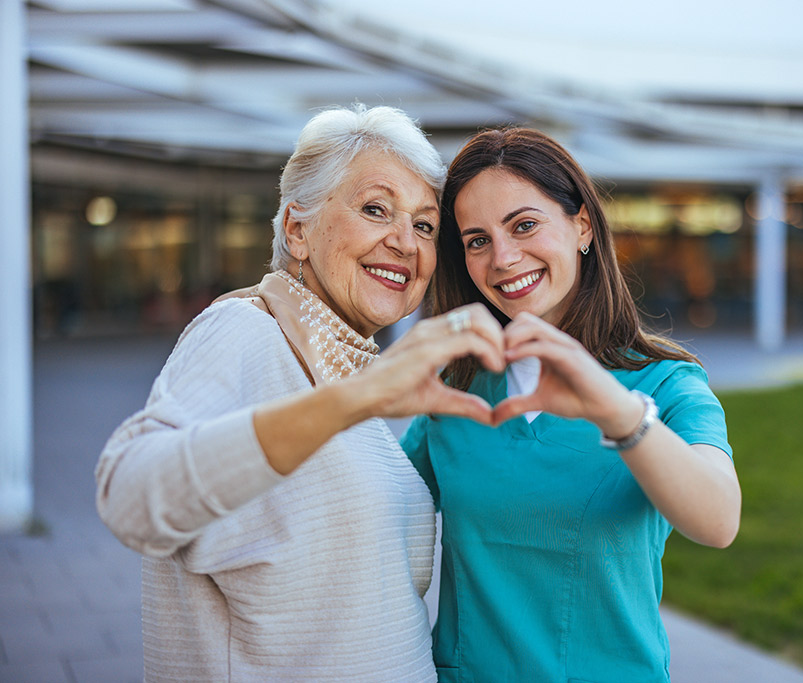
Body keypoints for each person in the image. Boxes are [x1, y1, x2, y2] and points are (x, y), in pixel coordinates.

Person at [95, 105, 506, 681]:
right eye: (375, 209)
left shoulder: (346, 371)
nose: (405, 243)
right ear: (297, 230)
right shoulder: (246, 329)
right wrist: (352, 402)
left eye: (424, 225)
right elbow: (129, 495)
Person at [401, 128, 742, 682]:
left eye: (525, 224)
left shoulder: (665, 385)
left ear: (582, 224)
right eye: (477, 240)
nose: (504, 258)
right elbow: (369, 511)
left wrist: (616, 411)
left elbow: (719, 520)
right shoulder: (455, 388)